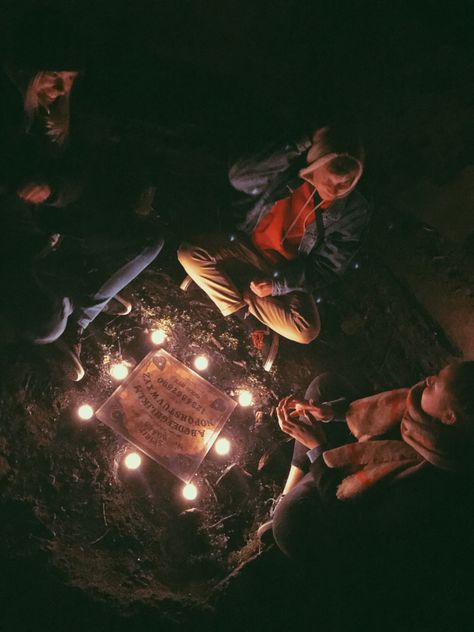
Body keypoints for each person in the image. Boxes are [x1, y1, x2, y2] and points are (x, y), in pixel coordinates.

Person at [178, 125, 369, 370]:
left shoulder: (354, 211)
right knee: (188, 253)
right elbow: (240, 176)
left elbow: (327, 268)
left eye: (345, 184)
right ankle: (247, 318)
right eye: (330, 178)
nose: (334, 189)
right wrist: (303, 140)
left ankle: (225, 283)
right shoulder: (288, 172)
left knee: (306, 331)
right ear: (314, 166)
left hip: (284, 270)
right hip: (244, 247)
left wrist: (278, 285)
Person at [260, 362, 474, 563]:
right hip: (361, 454)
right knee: (324, 386)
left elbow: (349, 518)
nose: (428, 379)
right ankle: (288, 492)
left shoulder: (424, 482)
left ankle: (290, 499)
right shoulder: (423, 414)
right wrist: (331, 413)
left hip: (345, 507)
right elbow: (376, 421)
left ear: (449, 417)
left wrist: (317, 448)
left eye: (436, 382)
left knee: (288, 525)